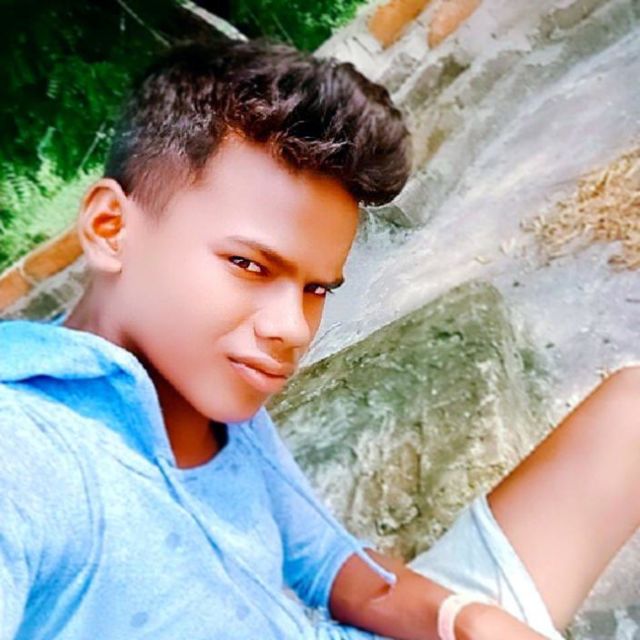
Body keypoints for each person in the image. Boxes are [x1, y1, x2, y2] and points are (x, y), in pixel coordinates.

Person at [0, 36, 637, 640]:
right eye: (249, 265)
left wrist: (465, 621)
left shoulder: (209, 396)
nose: (293, 328)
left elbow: (334, 565)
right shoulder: (26, 451)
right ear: (111, 228)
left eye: (315, 288)